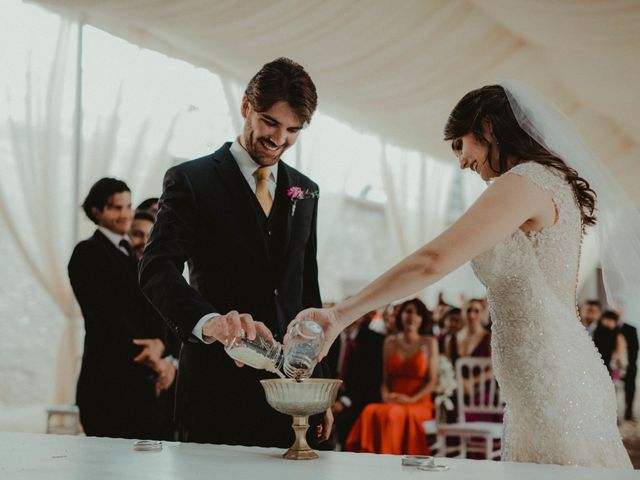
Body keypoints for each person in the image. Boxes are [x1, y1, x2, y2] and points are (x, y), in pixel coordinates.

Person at [292, 82, 633, 468]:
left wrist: (340, 315)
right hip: (555, 371)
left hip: (550, 380)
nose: (461, 162)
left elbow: (432, 260)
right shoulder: (550, 181)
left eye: (460, 144)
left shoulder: (526, 181)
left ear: (488, 126)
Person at [139, 58, 332, 447]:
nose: (280, 139)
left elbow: (306, 293)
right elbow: (156, 269)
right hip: (215, 389)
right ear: (246, 106)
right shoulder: (191, 180)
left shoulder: (305, 191)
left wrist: (318, 388)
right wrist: (209, 322)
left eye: (293, 130)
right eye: (270, 122)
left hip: (290, 395)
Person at [68, 178, 168, 439]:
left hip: (140, 387)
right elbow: (103, 317)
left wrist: (161, 344)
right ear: (96, 212)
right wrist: (151, 354)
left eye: (128, 206)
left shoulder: (135, 253)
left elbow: (153, 309)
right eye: (116, 207)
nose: (125, 214)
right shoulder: (87, 253)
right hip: (106, 384)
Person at [344, 299, 437, 455]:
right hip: (393, 398)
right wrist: (386, 395)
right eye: (408, 311)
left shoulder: (429, 342)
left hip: (419, 401)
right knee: (370, 410)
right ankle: (372, 462)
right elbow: (385, 380)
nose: (412, 317)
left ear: (422, 318)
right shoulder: (389, 342)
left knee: (392, 414)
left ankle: (390, 461)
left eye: (417, 313)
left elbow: (432, 381)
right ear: (400, 315)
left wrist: (411, 399)